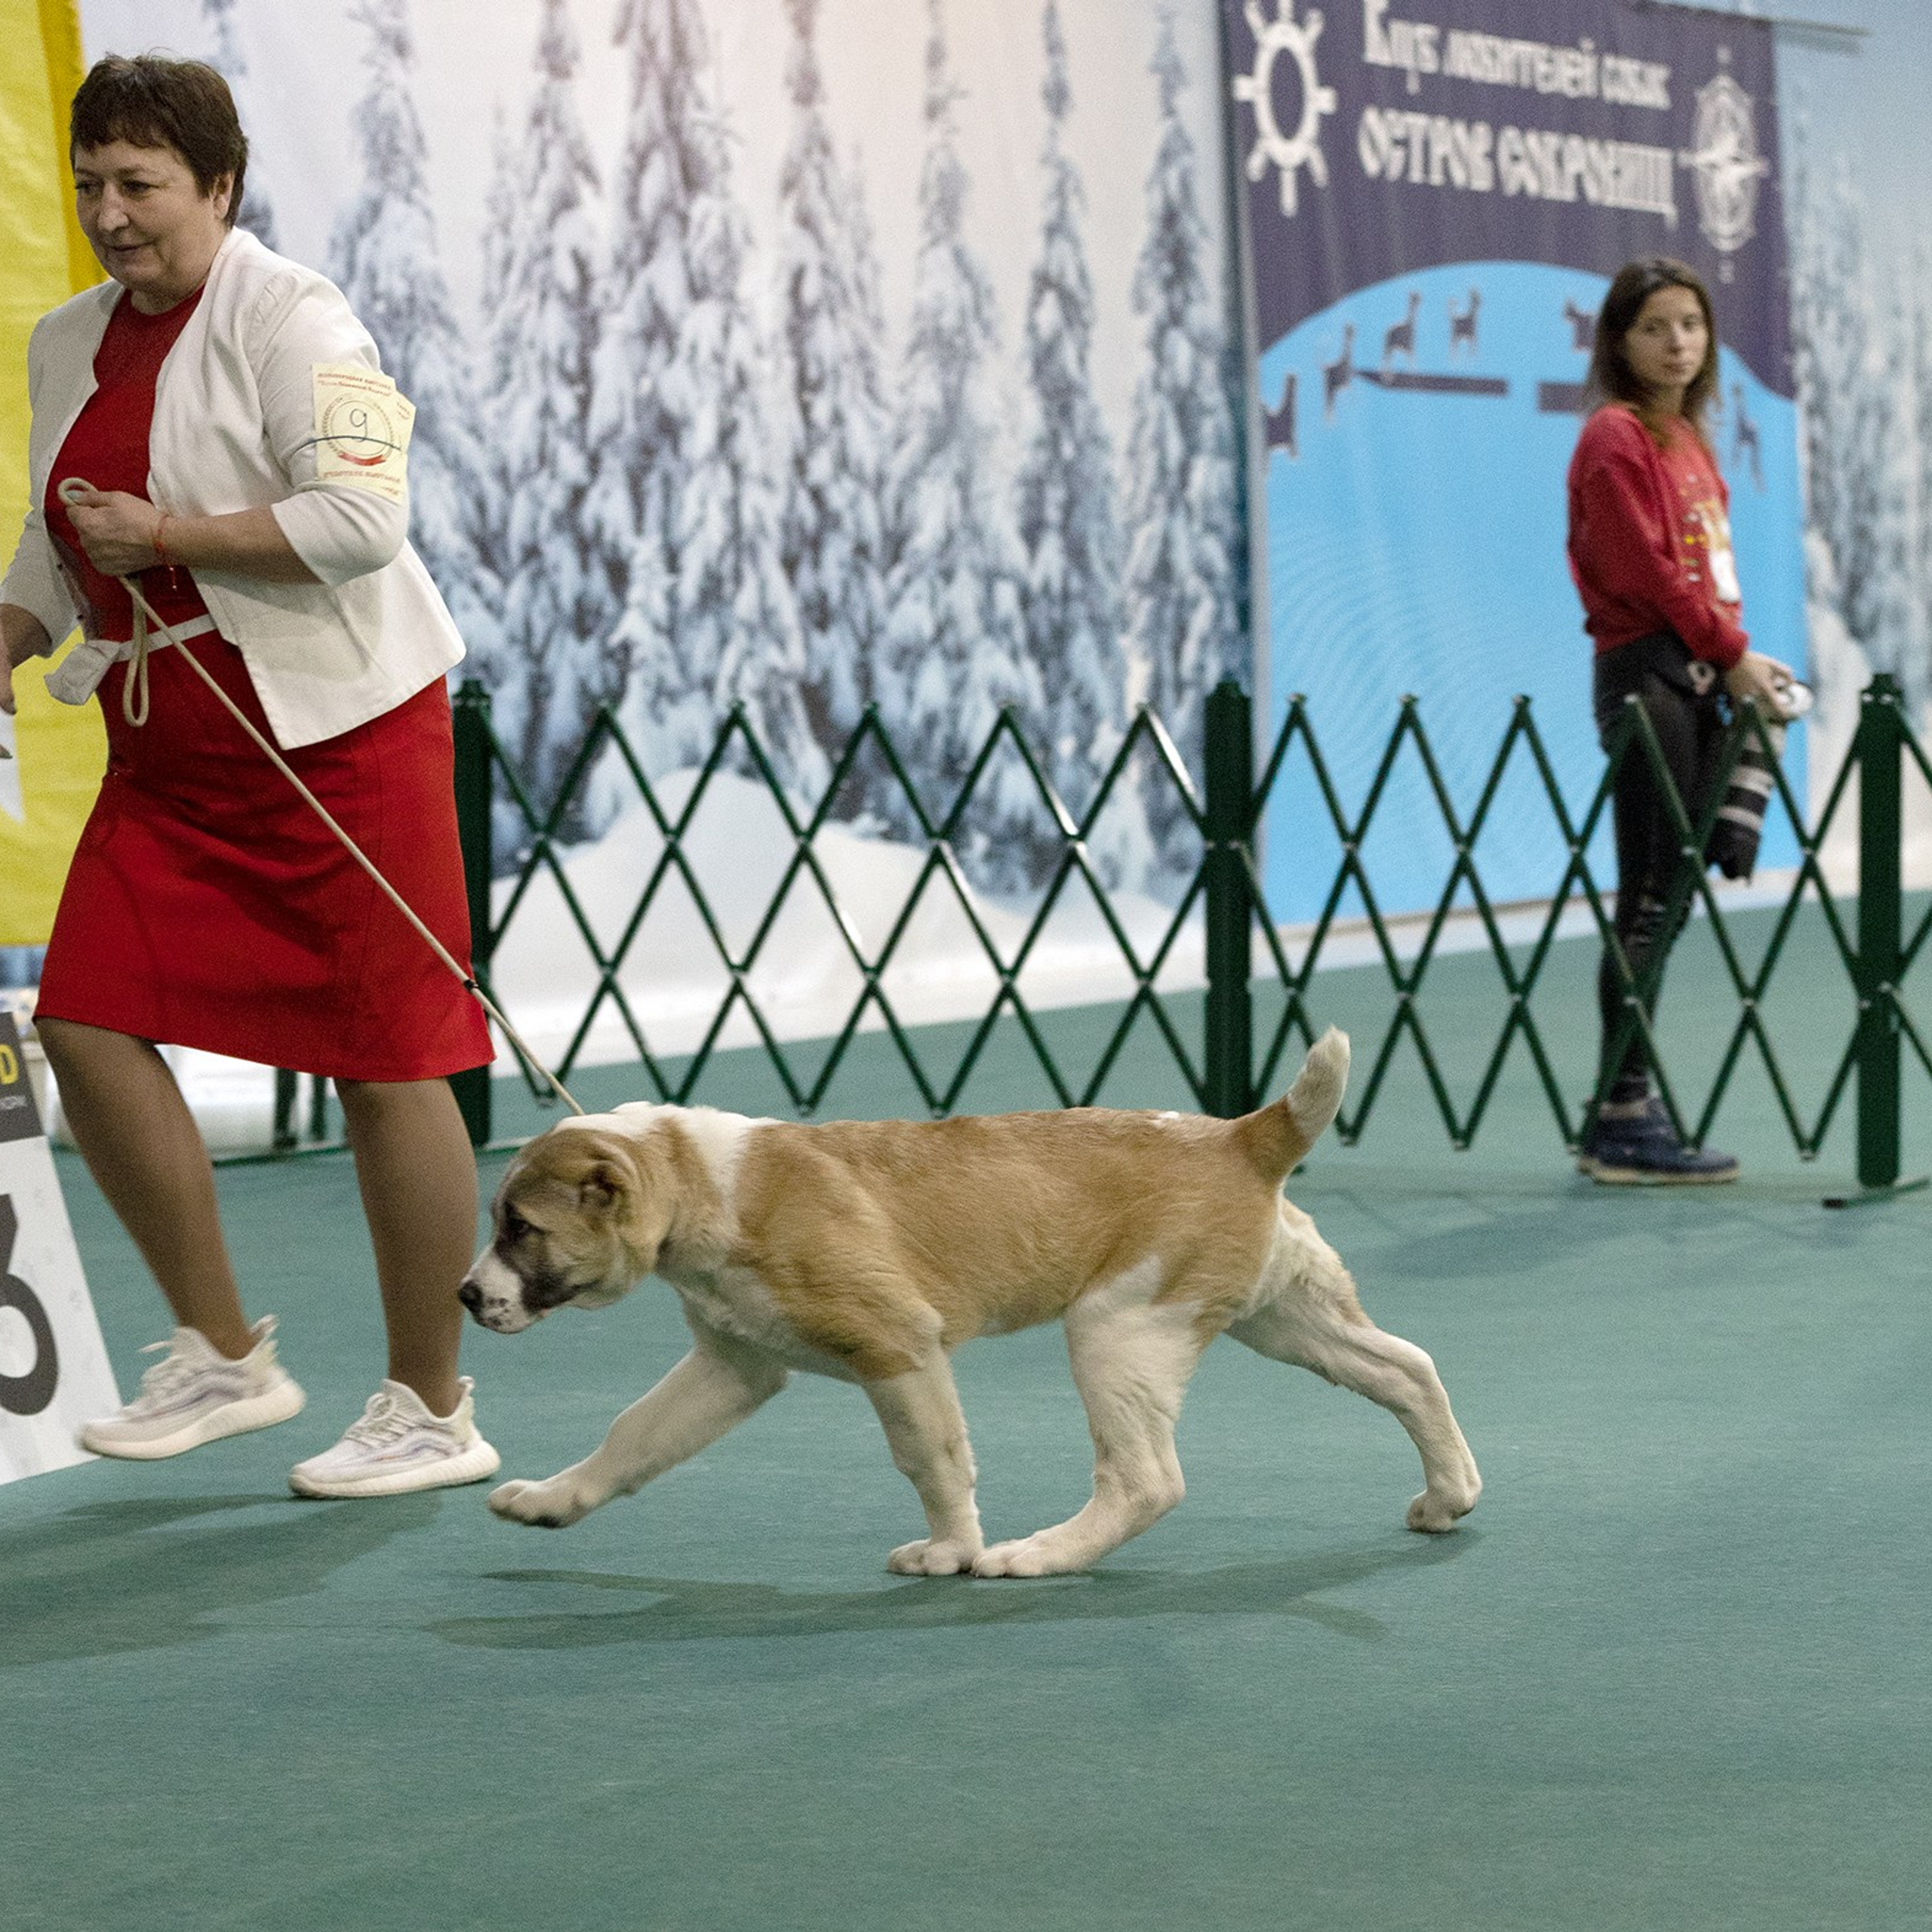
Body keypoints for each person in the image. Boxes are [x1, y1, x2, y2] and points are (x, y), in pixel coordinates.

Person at [0, 55, 500, 1494]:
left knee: (388, 1060)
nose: (109, 212)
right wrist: (13, 634)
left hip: (341, 737)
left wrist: (168, 537)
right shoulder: (66, 337)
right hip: (171, 749)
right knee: (85, 1021)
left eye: (141, 184)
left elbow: (361, 521)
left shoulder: (301, 316)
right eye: (90, 184)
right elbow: (58, 537)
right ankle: (225, 1357)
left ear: (220, 186)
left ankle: (432, 1407)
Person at [1566, 257, 1795, 1186]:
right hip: (1647, 677)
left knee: (1673, 891)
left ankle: (1622, 1106)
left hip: (1697, 673)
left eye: (1691, 326)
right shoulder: (1613, 439)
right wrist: (1731, 652)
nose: (1676, 344)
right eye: (1655, 327)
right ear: (1619, 341)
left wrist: (1736, 656)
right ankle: (1620, 1117)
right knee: (1651, 894)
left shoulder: (1689, 442)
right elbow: (1649, 575)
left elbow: (1707, 573)